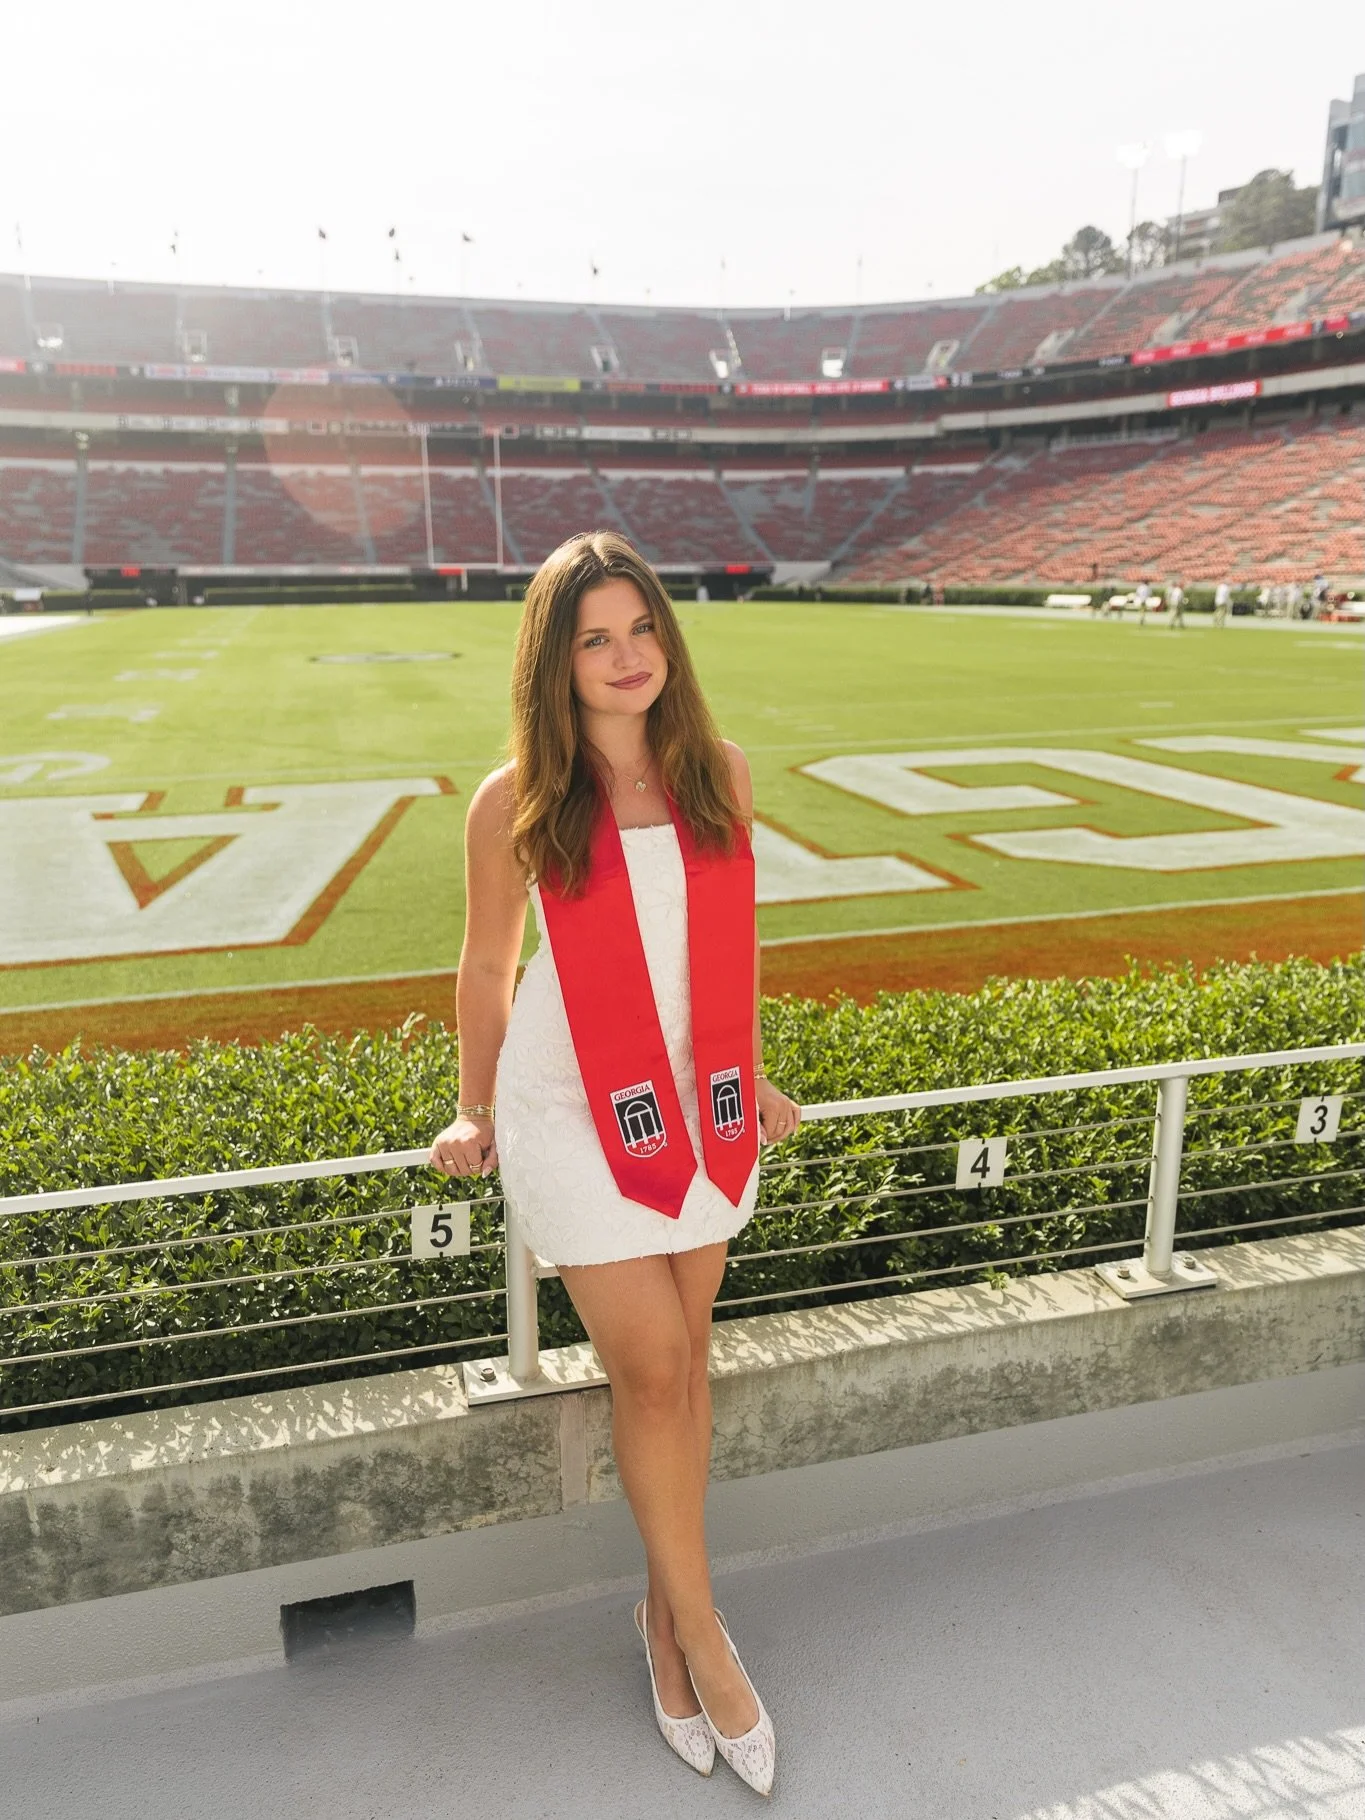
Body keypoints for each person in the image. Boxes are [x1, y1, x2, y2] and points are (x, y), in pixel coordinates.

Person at [429, 530, 798, 1796]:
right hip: (573, 1104)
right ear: (557, 659)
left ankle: (661, 1614)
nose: (627, 655)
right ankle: (703, 1635)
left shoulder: (718, 772)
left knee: (686, 1364)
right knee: (648, 1365)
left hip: (701, 1100)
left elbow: (725, 946)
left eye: (642, 628)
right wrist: (473, 1107)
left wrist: (755, 1075)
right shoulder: (516, 799)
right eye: (595, 637)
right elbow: (489, 964)